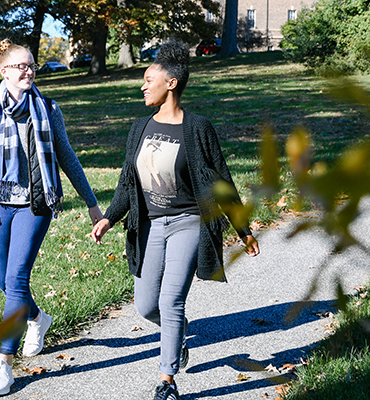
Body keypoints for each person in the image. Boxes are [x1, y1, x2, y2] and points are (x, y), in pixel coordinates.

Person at [89, 41, 260, 400]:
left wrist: (242, 230)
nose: (142, 85)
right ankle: (177, 333)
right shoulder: (139, 128)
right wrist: (108, 218)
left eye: (148, 79)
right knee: (146, 305)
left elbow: (222, 181)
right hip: (150, 225)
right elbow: (127, 182)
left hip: (187, 222)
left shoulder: (198, 128)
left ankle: (167, 382)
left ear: (170, 83)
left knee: (170, 301)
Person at [0, 38, 103, 397]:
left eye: (32, 65)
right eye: (21, 66)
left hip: (35, 204)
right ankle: (37, 318)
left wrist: (92, 203)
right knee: (4, 282)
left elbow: (67, 157)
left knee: (17, 278)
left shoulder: (48, 109)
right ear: (3, 71)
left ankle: (4, 363)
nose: (29, 71)